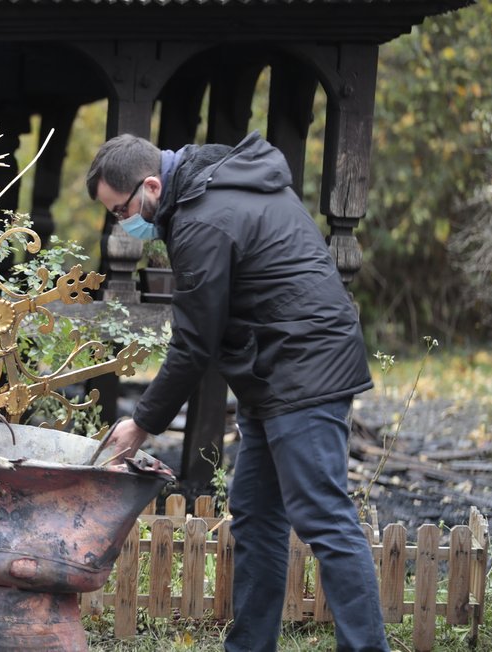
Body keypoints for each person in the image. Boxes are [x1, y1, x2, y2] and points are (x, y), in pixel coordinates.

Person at [86, 131, 389, 652]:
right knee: (256, 512)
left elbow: (194, 343)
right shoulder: (218, 184)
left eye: (120, 210)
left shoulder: (203, 218)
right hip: (273, 370)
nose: (123, 223)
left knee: (324, 517)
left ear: (151, 185)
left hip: (304, 369)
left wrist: (141, 424)